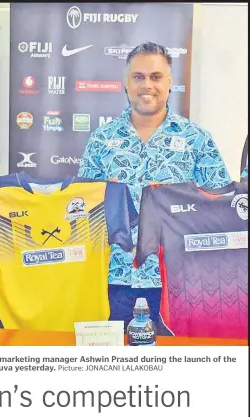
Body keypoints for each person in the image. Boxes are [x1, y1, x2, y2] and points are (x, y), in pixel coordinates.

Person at [78, 42, 232, 331]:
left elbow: (220, 212)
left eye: (156, 76)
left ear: (170, 83)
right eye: (138, 77)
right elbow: (79, 212)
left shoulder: (196, 139)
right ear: (126, 83)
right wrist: (99, 197)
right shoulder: (101, 140)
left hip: (180, 283)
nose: (146, 85)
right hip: (112, 281)